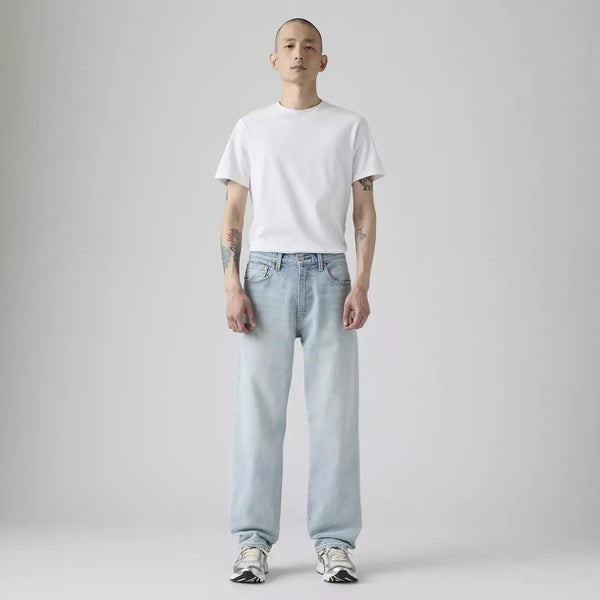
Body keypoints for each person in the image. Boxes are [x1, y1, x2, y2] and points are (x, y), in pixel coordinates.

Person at [214, 17, 385, 584]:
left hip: (331, 275)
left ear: (323, 61)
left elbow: (364, 210)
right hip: (265, 275)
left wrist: (362, 283)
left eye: (309, 46)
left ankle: (334, 543)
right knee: (257, 416)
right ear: (273, 59)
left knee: (335, 416)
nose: (298, 54)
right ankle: (252, 543)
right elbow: (233, 211)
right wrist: (232, 285)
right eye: (288, 45)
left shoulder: (349, 127)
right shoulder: (251, 128)